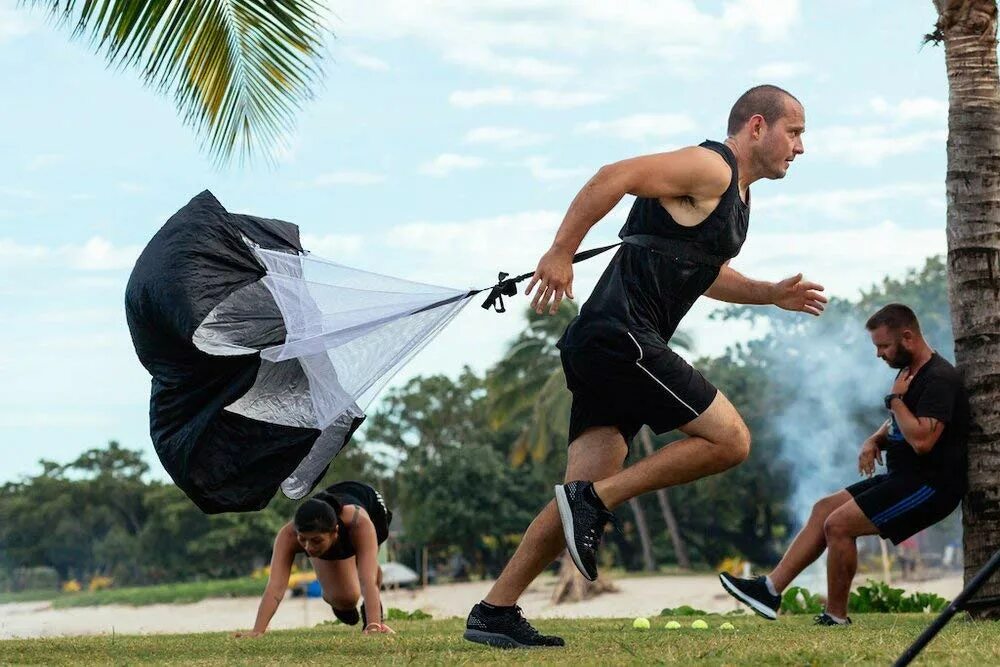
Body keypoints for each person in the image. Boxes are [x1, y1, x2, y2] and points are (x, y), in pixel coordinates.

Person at [464, 84, 827, 649]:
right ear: (757, 126)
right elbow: (614, 174)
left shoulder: (738, 199)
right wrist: (560, 251)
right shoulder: (712, 167)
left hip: (606, 343)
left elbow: (706, 270)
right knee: (730, 441)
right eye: (795, 132)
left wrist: (768, 293)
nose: (800, 147)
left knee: (576, 490)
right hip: (620, 335)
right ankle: (596, 504)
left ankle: (495, 610)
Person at [720, 304, 969, 625]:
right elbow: (907, 417)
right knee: (824, 508)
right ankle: (769, 589)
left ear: (907, 337)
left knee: (838, 525)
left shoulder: (938, 378)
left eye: (883, 346)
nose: (879, 354)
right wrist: (875, 439)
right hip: (903, 477)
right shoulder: (911, 373)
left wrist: (893, 400)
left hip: (930, 487)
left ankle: (835, 615)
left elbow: (923, 440)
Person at [235, 481, 395, 637]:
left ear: (335, 532)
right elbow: (275, 587)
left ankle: (373, 616)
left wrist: (374, 626)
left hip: (372, 511)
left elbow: (367, 580)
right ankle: (343, 597)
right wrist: (257, 631)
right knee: (345, 599)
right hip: (331, 512)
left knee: (369, 570)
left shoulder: (359, 524)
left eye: (316, 541)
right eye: (302, 539)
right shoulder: (288, 535)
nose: (309, 547)